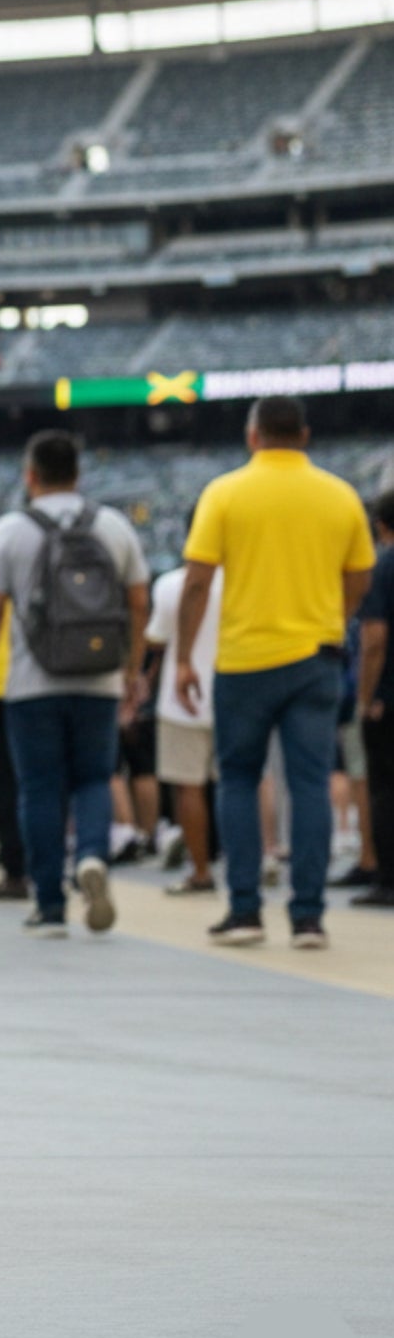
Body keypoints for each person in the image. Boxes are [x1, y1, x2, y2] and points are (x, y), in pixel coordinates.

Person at [176, 396, 374, 949]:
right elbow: (360, 577)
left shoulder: (225, 492)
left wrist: (185, 658)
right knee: (309, 783)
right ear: (305, 436)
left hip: (244, 660)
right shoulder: (339, 495)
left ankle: (244, 911)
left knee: (239, 778)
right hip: (316, 657)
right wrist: (334, 617)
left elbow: (196, 581)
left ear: (253, 436)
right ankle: (308, 917)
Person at [0, 432, 149, 940]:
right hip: (100, 678)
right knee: (93, 778)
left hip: (32, 682)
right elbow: (138, 602)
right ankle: (91, 856)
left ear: (31, 474)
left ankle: (49, 904)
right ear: (78, 472)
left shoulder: (10, 531)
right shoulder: (112, 525)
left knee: (40, 788)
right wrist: (132, 671)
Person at [144, 518, 222, 897]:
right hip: (236, 691)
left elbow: (155, 640)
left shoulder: (170, 584)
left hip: (180, 700)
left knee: (187, 787)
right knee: (244, 783)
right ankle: (255, 862)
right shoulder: (243, 583)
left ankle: (201, 870)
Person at [351, 491, 394, 910]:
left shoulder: (382, 568)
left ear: (381, 527)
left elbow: (375, 640)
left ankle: (387, 879)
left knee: (384, 789)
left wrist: (367, 697)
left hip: (389, 697)